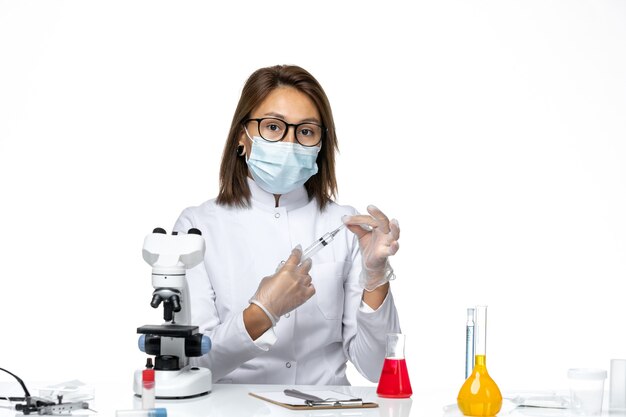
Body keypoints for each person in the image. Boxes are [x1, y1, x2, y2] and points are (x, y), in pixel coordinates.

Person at [173, 65, 401, 385]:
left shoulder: (348, 228)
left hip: (326, 409)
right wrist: (262, 312)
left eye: (306, 131)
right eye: (273, 127)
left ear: (320, 146)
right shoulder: (197, 227)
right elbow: (194, 364)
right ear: (243, 136)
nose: (289, 142)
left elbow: (379, 368)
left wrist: (375, 277)